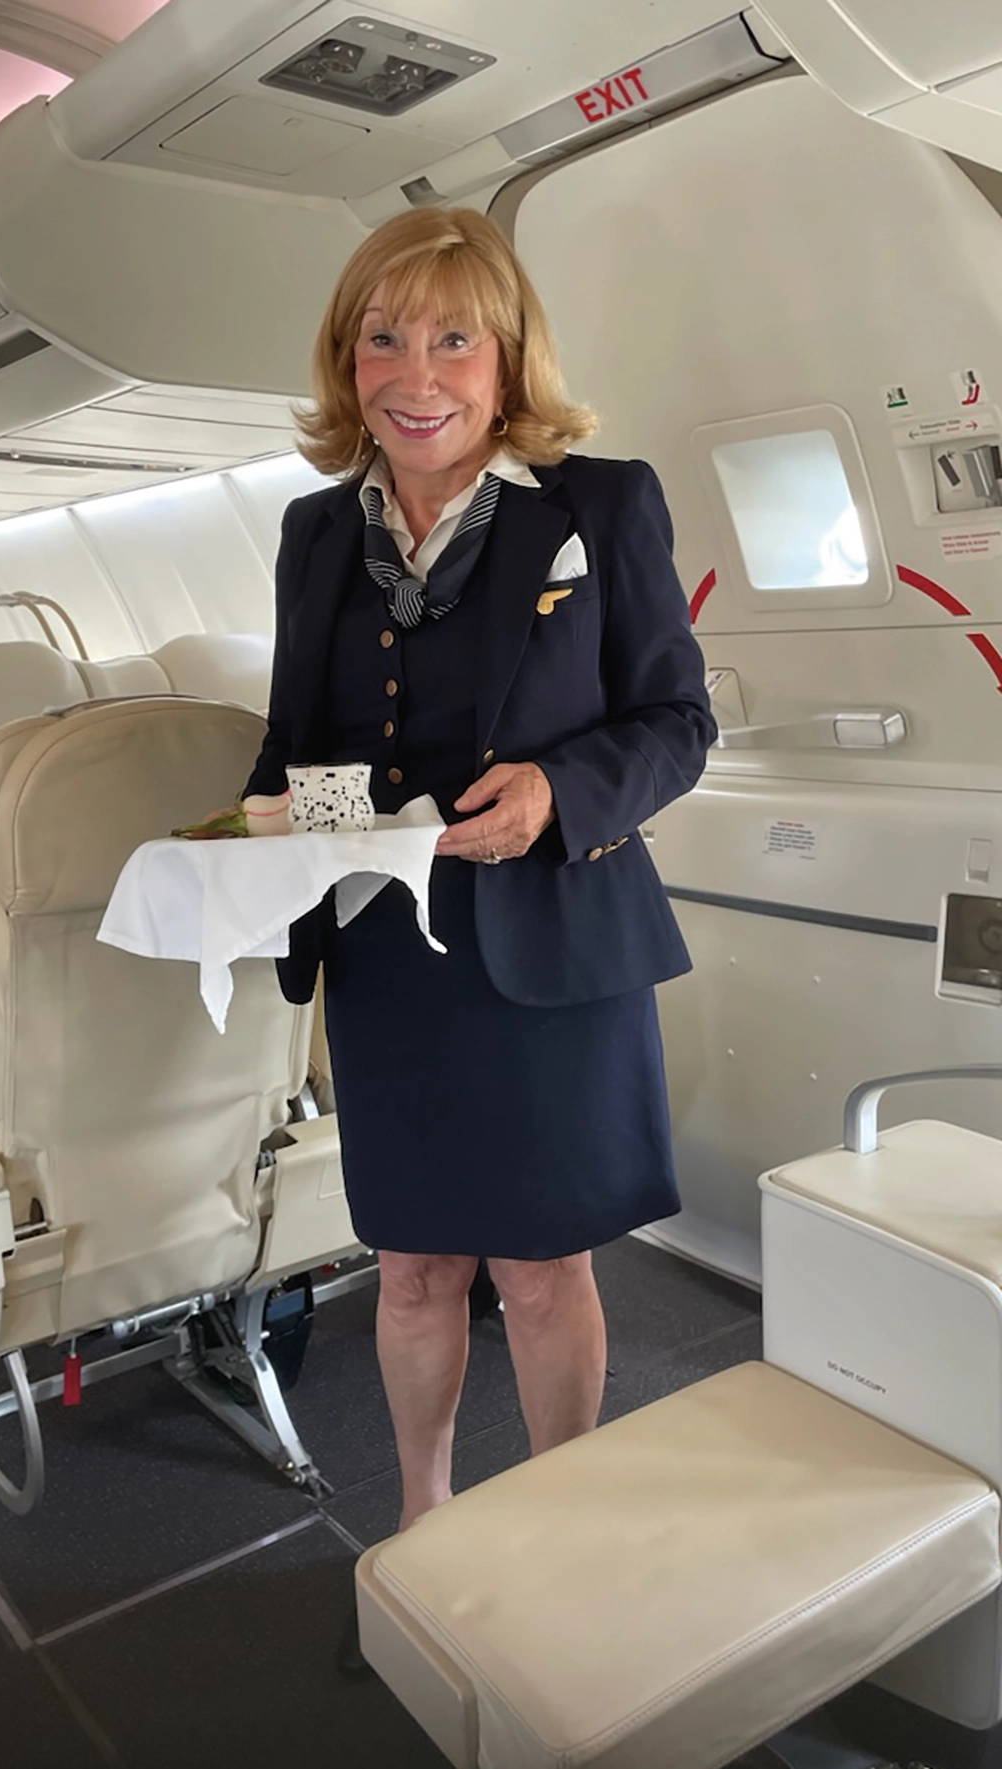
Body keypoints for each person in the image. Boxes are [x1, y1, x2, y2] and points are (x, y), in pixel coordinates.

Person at [244, 207, 717, 1547]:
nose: (416, 375)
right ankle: (427, 1527)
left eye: (454, 340)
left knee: (542, 1267)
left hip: (553, 945)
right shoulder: (313, 535)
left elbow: (679, 723)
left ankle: (570, 1523)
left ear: (508, 360)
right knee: (411, 1269)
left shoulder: (600, 504)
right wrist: (231, 839)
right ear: (346, 364)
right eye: (381, 340)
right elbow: (293, 747)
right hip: (394, 961)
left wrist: (562, 792)